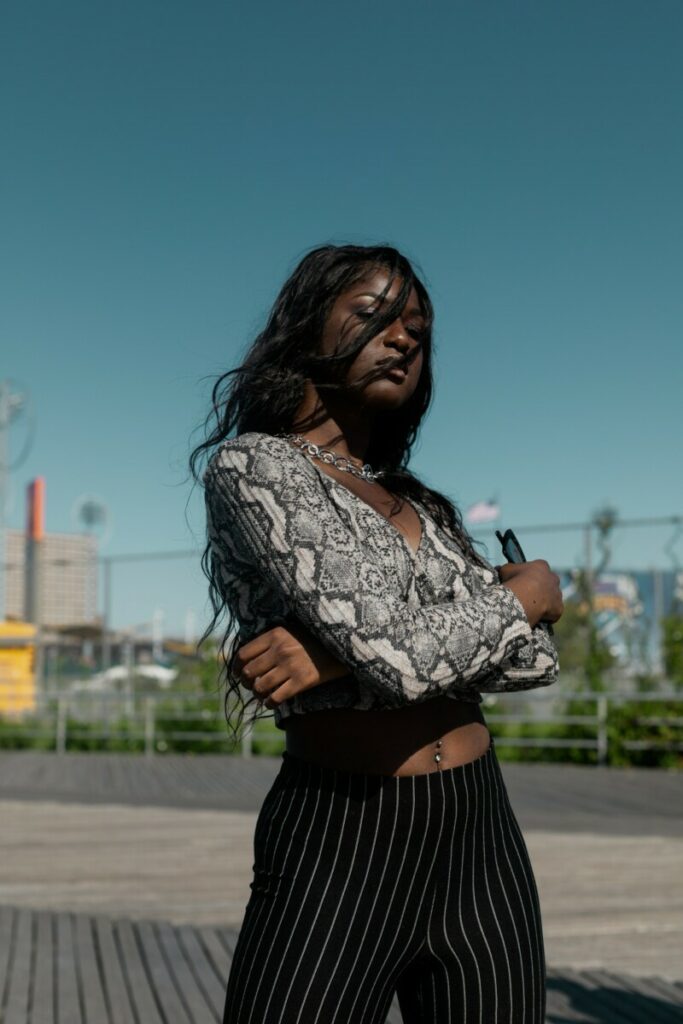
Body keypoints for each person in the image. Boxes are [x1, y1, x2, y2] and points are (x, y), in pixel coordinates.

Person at [192, 243, 564, 1024]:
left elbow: (533, 661)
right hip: (341, 832)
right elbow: (400, 658)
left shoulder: (422, 505)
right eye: (373, 316)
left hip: (478, 834)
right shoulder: (256, 469)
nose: (402, 339)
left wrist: (330, 655)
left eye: (417, 331)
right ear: (306, 328)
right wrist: (526, 592)